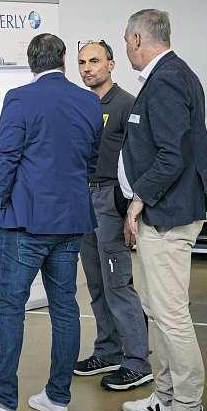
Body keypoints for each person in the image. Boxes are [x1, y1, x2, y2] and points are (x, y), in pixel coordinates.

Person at [0, 34, 103, 411]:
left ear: (31, 63)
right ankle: (57, 397)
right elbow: (90, 160)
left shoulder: (19, 99)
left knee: (9, 307)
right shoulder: (89, 101)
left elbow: (6, 158)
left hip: (26, 221)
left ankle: (3, 401)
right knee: (65, 307)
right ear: (63, 61)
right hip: (71, 220)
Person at [118, 9, 207, 411]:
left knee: (171, 314)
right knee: (155, 311)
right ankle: (165, 394)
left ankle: (189, 407)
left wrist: (138, 199)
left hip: (167, 216)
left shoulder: (167, 80)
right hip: (161, 214)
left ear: (138, 39)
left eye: (126, 41)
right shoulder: (170, 75)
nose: (126, 49)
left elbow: (172, 155)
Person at [75, 40, 152, 391]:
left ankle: (137, 361)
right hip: (82, 198)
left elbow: (140, 157)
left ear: (111, 63)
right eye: (81, 62)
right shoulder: (80, 104)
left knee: (117, 283)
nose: (87, 68)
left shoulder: (125, 104)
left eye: (94, 61)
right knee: (95, 283)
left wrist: (132, 207)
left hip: (111, 198)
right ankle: (107, 351)